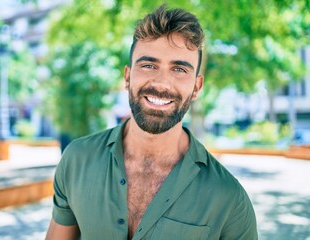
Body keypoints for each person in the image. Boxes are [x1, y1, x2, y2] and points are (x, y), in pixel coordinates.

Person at [45, 5, 258, 240]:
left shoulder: (229, 198)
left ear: (196, 87)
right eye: (148, 65)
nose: (161, 83)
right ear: (128, 76)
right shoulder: (77, 159)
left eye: (179, 69)